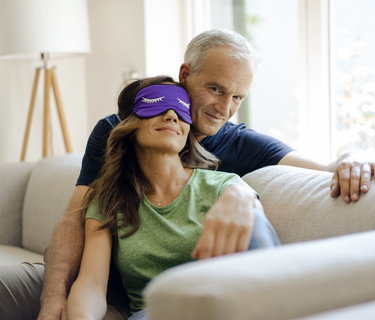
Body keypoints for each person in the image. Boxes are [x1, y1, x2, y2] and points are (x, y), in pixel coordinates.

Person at [0, 29, 375, 320]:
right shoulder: (116, 131)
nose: (224, 108)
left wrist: (350, 155)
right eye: (215, 89)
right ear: (186, 75)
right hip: (105, 287)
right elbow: (75, 217)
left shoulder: (234, 150)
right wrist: (53, 302)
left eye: (237, 97)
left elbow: (321, 167)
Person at [66, 79, 279, 320]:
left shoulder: (224, 186)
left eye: (180, 108)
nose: (171, 115)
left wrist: (244, 195)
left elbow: (261, 249)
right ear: (131, 124)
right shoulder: (109, 200)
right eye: (156, 105)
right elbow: (91, 285)